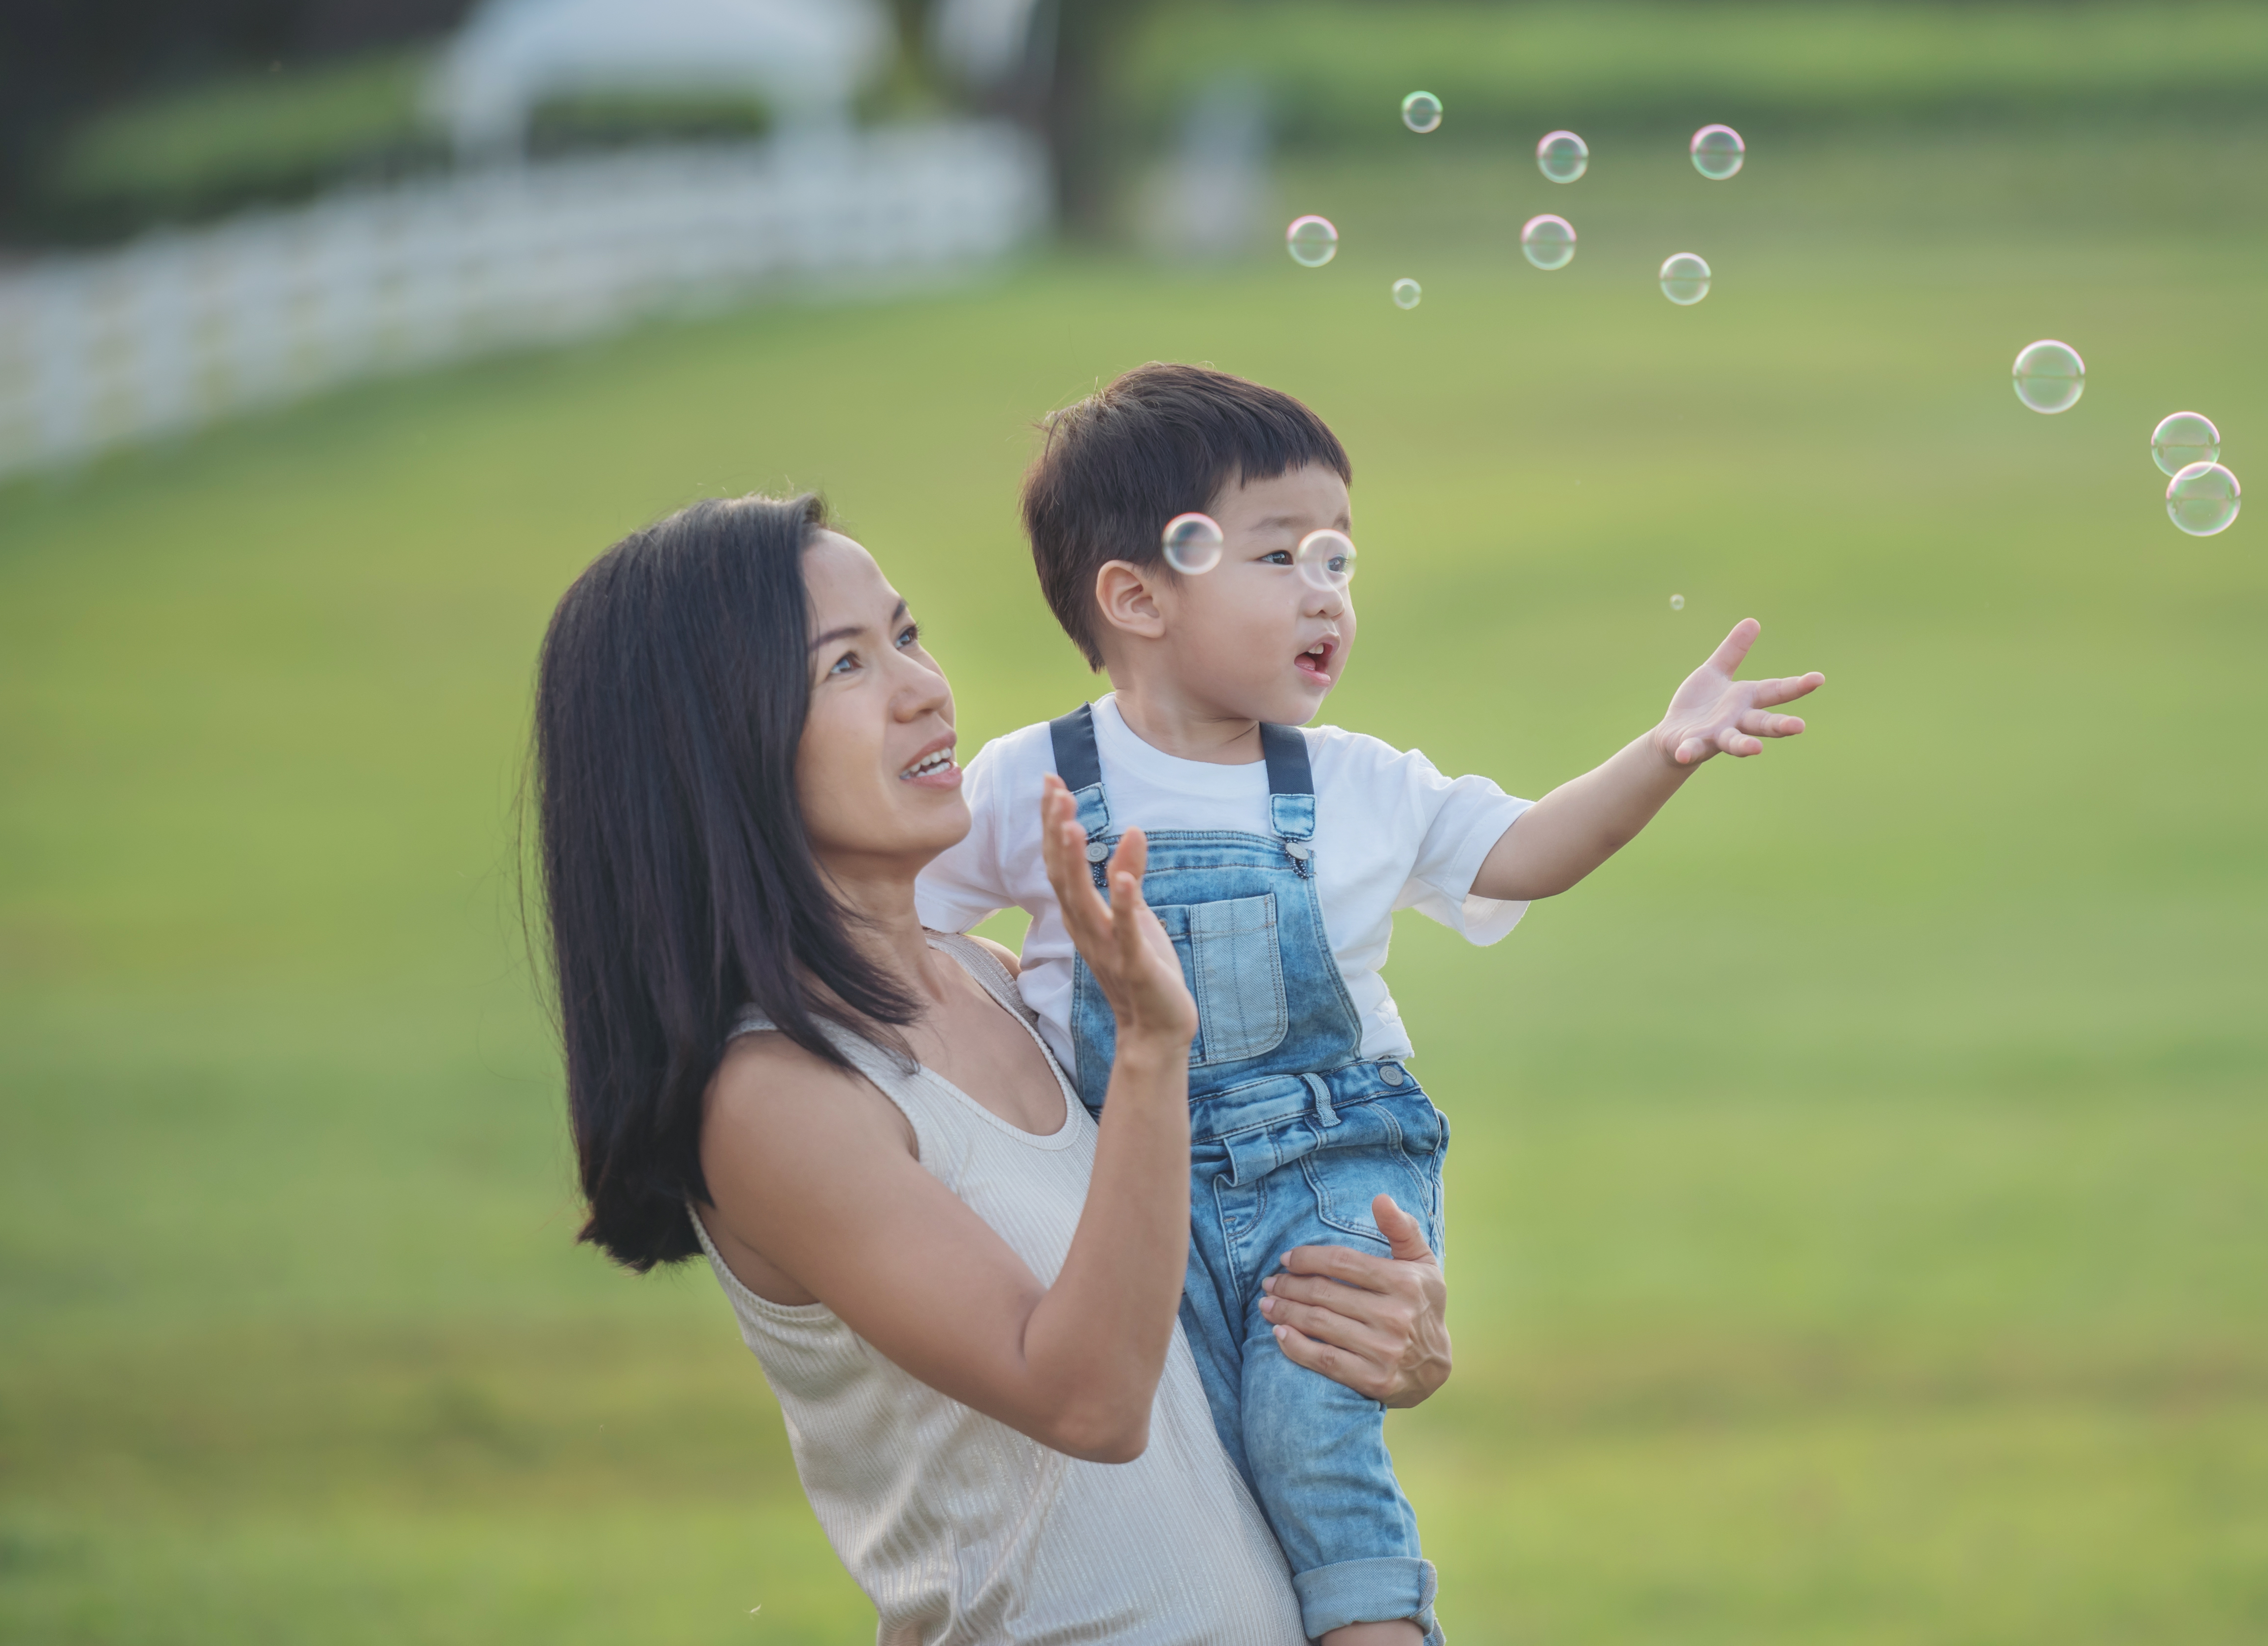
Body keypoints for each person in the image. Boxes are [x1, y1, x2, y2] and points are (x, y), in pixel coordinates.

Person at [917, 363, 1826, 1644]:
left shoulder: (1354, 783)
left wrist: (1662, 754)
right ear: (1134, 596)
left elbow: (1522, 852)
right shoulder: (1034, 782)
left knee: (1309, 1441)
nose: (1326, 594)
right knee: (1186, 1458)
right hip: (1139, 1182)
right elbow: (905, 931)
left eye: (1340, 559)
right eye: (1281, 554)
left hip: (1328, 1169)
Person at [529, 491, 1455, 1645]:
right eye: (846, 667)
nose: (924, 688)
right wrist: (1155, 1053)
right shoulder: (777, 1097)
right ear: (713, 745)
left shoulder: (999, 983)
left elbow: (1195, 1294)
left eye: (907, 636)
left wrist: (1370, 1333)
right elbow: (1089, 1398)